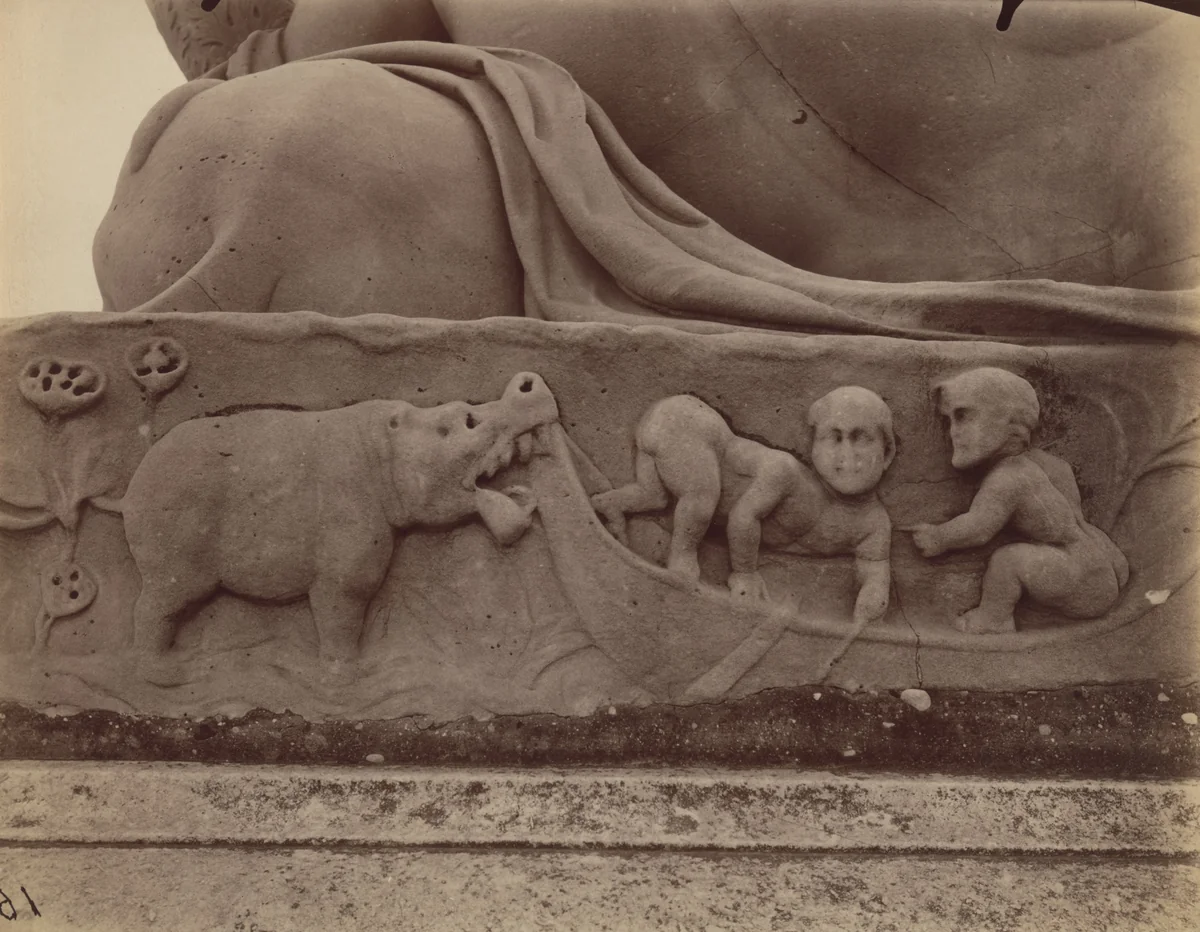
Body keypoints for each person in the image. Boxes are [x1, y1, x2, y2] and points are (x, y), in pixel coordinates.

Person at [591, 387, 894, 627]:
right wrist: (745, 573)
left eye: (861, 438)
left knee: (655, 496)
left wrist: (872, 605)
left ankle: (611, 505)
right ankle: (681, 564)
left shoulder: (874, 523)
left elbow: (875, 568)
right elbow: (743, 517)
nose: (846, 455)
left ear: (888, 452)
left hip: (675, 439)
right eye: (834, 437)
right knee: (699, 499)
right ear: (813, 446)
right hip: (686, 425)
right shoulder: (786, 472)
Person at [909, 368, 1129, 634]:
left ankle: (994, 619)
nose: (953, 432)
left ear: (1008, 420)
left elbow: (978, 528)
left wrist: (939, 537)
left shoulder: (1007, 478)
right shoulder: (1051, 464)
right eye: (949, 421)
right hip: (1106, 564)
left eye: (963, 416)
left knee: (1007, 560)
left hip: (1080, 578)